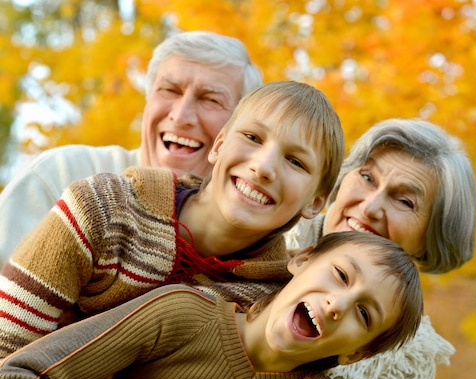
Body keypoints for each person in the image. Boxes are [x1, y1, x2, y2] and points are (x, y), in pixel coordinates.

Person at [0, 80, 345, 359]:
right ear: (219, 145)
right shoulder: (103, 208)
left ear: (315, 202)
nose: (264, 167)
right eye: (252, 138)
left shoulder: (270, 302)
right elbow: (6, 346)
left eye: (296, 162)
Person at [0, 232, 423, 379]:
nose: (337, 304)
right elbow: (17, 378)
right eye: (341, 275)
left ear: (358, 351)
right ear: (302, 260)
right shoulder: (181, 314)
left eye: (364, 315)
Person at [0, 30, 263, 268]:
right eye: (169, 90)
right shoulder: (60, 174)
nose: (182, 115)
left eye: (211, 99)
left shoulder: (255, 229)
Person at [284, 118, 476, 379]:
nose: (370, 207)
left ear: (431, 239)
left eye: (404, 201)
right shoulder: (266, 224)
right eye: (368, 177)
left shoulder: (407, 361)